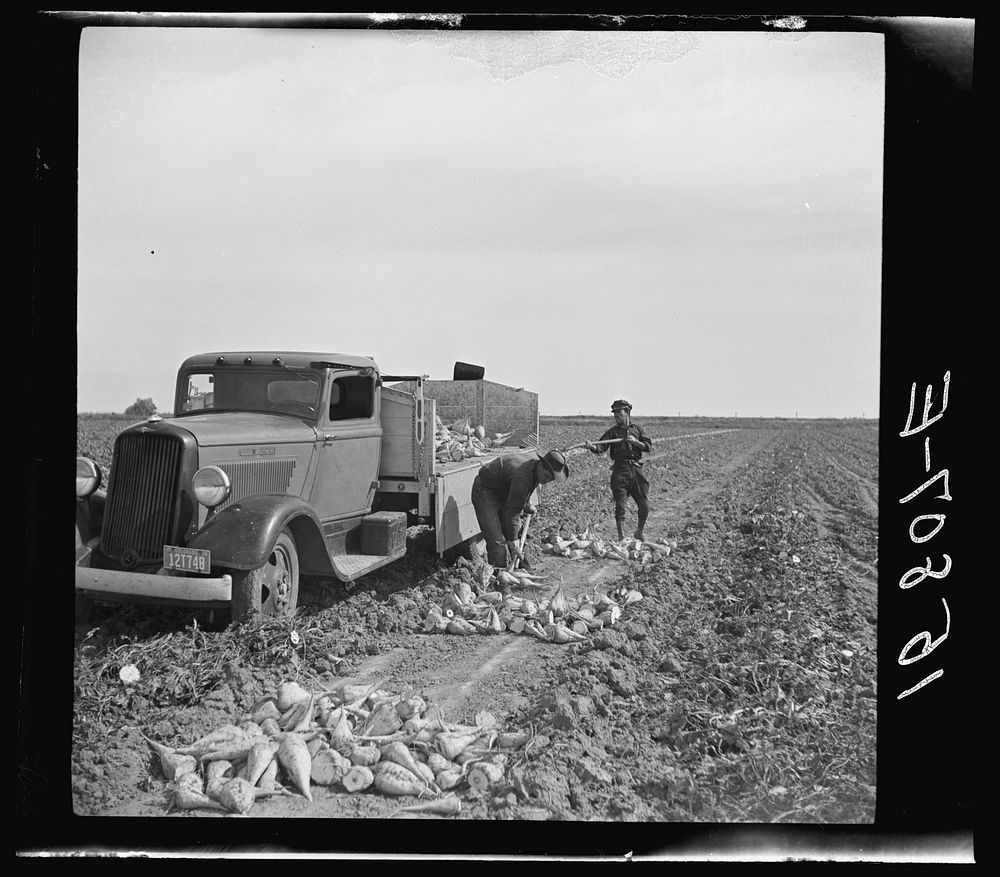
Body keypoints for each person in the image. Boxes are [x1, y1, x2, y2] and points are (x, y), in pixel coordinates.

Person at [471, 448, 570, 569]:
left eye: (550, 479)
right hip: (485, 491)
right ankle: (500, 579)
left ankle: (524, 569)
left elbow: (521, 491)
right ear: (540, 465)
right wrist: (513, 542)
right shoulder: (522, 477)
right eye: (546, 476)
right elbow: (512, 512)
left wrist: (527, 504)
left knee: (518, 534)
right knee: (498, 543)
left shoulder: (534, 469)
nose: (546, 481)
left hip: (504, 489)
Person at [585, 399, 653, 541]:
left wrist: (636, 442)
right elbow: (600, 448)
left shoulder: (638, 429)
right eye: (614, 413)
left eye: (618, 413)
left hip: (636, 469)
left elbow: (648, 447)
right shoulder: (612, 432)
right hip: (620, 471)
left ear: (627, 413)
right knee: (620, 505)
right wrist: (591, 446)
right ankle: (621, 537)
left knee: (644, 505)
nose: (616, 416)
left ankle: (639, 532)